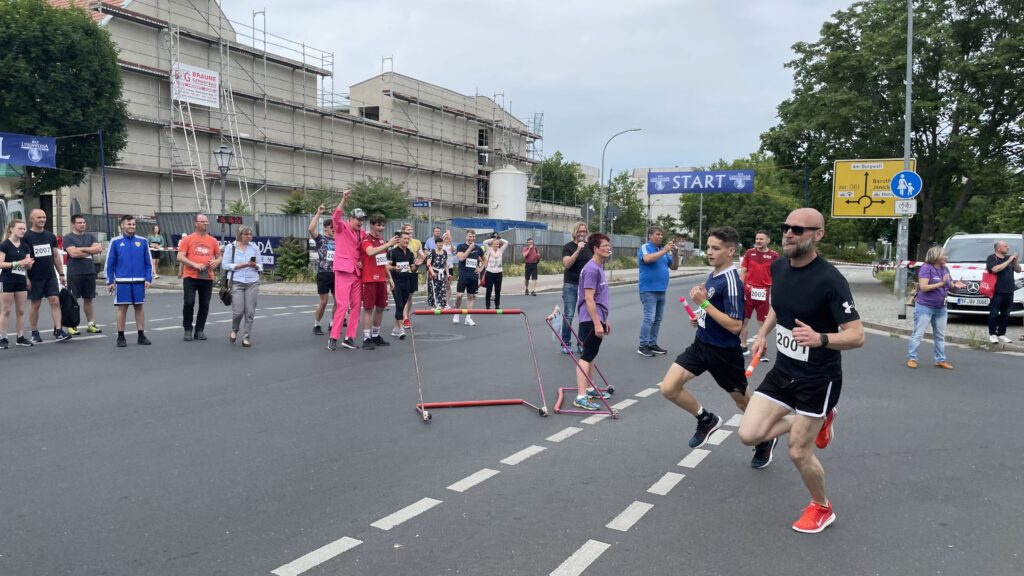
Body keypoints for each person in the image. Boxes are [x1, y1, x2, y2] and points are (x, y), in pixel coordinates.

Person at [738, 208, 865, 534]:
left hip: (817, 378)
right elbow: (780, 305)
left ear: (818, 235)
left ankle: (822, 507)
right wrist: (762, 335)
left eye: (799, 229)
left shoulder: (831, 280)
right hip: (783, 370)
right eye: (786, 227)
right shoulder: (778, 267)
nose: (789, 233)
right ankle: (821, 419)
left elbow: (856, 335)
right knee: (748, 434)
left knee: (797, 450)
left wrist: (821, 338)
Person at [658, 227, 774, 467]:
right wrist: (700, 315)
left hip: (724, 354)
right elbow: (712, 309)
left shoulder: (732, 281)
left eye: (716, 248)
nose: (709, 252)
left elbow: (734, 326)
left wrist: (704, 304)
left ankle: (765, 438)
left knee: (743, 403)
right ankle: (706, 419)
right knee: (669, 388)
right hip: (701, 345)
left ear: (730, 251)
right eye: (709, 247)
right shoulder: (714, 274)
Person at [572, 233, 614, 411]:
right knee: (586, 356)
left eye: (608, 245)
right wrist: (597, 323)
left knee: (592, 354)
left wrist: (605, 320)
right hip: (590, 318)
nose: (608, 248)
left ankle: (589, 388)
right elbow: (589, 299)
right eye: (605, 245)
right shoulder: (591, 269)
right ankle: (581, 396)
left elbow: (599, 297)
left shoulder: (599, 267)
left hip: (597, 317)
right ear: (595, 249)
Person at [907, 246, 963, 369]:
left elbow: (949, 285)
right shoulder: (926, 268)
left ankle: (940, 359)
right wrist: (941, 284)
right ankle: (912, 358)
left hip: (941, 307)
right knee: (919, 333)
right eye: (944, 255)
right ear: (936, 256)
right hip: (925, 306)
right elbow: (923, 287)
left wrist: (956, 286)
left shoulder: (945, 269)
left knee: (940, 335)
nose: (946, 257)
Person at [327, 188, 366, 351]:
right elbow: (335, 216)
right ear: (350, 218)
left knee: (357, 306)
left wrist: (362, 262)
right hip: (343, 271)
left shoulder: (362, 233)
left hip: (357, 273)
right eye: (358, 219)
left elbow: (364, 250)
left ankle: (349, 337)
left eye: (362, 219)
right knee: (342, 305)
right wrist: (343, 199)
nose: (360, 222)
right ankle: (333, 337)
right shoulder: (341, 227)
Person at [105, 215, 152, 347]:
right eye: (129, 224)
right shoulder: (115, 242)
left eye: (133, 224)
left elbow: (148, 263)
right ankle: (121, 336)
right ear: (122, 226)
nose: (132, 226)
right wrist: (110, 281)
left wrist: (148, 278)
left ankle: (141, 335)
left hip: (139, 281)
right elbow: (110, 263)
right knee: (123, 307)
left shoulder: (142, 241)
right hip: (122, 281)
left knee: (139, 306)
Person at [24, 209, 70, 342]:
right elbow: (25, 258)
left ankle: (59, 330)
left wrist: (61, 274)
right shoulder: (26, 237)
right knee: (35, 304)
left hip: (50, 275)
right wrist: (26, 278)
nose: (42, 219)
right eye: (39, 217)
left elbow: (55, 255)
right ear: (32, 219)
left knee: (55, 301)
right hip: (34, 276)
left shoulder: (50, 235)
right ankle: (34, 332)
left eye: (44, 217)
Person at [176, 214, 222, 341]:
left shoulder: (212, 240)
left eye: (207, 221)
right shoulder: (188, 239)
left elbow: (219, 257)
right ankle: (187, 329)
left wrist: (217, 262)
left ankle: (199, 330)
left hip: (207, 277)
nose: (206, 223)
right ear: (195, 223)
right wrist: (194, 264)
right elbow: (180, 257)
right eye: (203, 221)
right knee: (189, 302)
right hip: (191, 276)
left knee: (204, 304)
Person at [637, 225, 679, 357]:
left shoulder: (662, 251)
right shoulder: (645, 247)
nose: (660, 236)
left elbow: (674, 267)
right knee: (649, 318)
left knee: (657, 319)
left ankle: (652, 343)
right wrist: (665, 250)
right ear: (650, 235)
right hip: (648, 289)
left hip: (661, 290)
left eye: (661, 235)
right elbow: (647, 259)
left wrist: (675, 254)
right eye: (657, 234)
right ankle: (643, 345)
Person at [220, 226, 263, 347]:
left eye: (250, 234)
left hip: (252, 282)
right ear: (240, 235)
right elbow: (225, 265)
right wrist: (241, 265)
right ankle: (235, 329)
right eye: (246, 234)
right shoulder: (231, 247)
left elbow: (261, 266)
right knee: (238, 312)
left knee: (250, 312)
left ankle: (246, 337)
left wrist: (255, 266)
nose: (249, 236)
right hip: (237, 282)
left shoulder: (254, 247)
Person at [739, 230, 780, 357]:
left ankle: (761, 345)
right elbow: (744, 271)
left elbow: (777, 274)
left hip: (763, 291)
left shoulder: (774, 256)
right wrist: (740, 287)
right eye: (757, 238)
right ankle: (743, 345)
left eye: (761, 239)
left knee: (762, 322)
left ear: (768, 240)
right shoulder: (749, 253)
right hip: (748, 290)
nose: (758, 241)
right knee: (744, 320)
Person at [62, 214, 104, 335]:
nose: (82, 225)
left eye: (84, 222)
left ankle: (91, 324)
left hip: (89, 272)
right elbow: (73, 254)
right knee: (72, 300)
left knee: (89, 299)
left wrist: (81, 249)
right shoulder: (68, 238)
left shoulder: (90, 236)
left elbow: (99, 249)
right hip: (74, 272)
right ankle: (71, 325)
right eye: (79, 223)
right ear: (73, 224)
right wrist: (90, 251)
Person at [360, 214, 397, 348]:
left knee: (381, 307)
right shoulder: (366, 239)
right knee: (369, 309)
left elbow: (383, 261)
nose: (381, 228)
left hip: (381, 278)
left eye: (383, 225)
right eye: (378, 225)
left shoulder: (382, 240)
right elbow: (370, 252)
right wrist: (388, 244)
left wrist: (389, 277)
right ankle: (366, 338)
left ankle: (375, 335)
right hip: (369, 279)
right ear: (372, 225)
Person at [0, 219, 35, 348]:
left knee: (20, 310)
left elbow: (27, 266)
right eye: (20, 228)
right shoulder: (4, 245)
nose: (23, 231)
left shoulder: (25, 246)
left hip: (20, 280)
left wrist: (28, 265)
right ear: (11, 229)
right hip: (7, 280)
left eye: (24, 229)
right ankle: (3, 338)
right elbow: (1, 263)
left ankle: (20, 337)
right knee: (6, 310)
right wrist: (17, 264)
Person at [560, 222, 592, 353]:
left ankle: (581, 342)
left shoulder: (589, 247)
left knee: (584, 315)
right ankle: (565, 343)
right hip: (571, 285)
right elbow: (567, 264)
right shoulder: (568, 247)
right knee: (569, 314)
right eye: (579, 231)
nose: (582, 234)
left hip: (585, 286)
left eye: (584, 231)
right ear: (574, 232)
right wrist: (578, 249)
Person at [308, 205, 337, 336]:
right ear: (325, 227)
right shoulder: (321, 239)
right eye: (331, 227)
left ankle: (333, 323)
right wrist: (318, 213)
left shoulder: (340, 240)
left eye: (335, 227)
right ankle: (317, 324)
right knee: (324, 301)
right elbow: (310, 228)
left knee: (339, 302)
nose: (333, 229)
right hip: (324, 273)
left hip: (337, 273)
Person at [985, 240, 1021, 344]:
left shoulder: (1008, 259)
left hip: (1009, 290)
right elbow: (995, 269)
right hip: (997, 290)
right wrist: (1009, 260)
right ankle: (992, 334)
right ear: (998, 248)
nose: (1008, 248)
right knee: (994, 313)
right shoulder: (992, 258)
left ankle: (1002, 334)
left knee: (1006, 313)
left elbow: (1018, 270)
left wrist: (1015, 261)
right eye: (1005, 246)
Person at [452, 229, 485, 326]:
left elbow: (485, 260)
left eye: (473, 237)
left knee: (471, 296)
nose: (472, 238)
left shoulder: (478, 249)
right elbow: (461, 258)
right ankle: (456, 312)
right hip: (463, 274)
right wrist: (470, 248)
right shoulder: (461, 246)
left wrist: (480, 268)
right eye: (470, 236)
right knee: (459, 295)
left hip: (473, 276)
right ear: (466, 237)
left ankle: (468, 317)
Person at [389, 232, 417, 338]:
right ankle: (401, 329)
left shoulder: (410, 253)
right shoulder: (393, 252)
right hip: (396, 281)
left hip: (406, 281)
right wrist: (394, 268)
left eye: (408, 239)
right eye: (404, 238)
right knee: (399, 304)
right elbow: (386, 266)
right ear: (399, 239)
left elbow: (413, 269)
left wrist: (418, 264)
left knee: (402, 305)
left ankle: (395, 328)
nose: (406, 241)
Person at [400, 223, 425, 329]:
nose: (410, 231)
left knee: (410, 296)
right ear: (403, 231)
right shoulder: (400, 241)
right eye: (408, 230)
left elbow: (422, 255)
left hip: (413, 270)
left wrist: (423, 258)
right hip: (402, 271)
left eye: (411, 230)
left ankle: (406, 315)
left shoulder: (416, 242)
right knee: (404, 296)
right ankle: (404, 317)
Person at [482, 232, 509, 309]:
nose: (496, 245)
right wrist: (493, 239)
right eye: (495, 244)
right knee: (489, 290)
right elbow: (484, 242)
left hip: (499, 272)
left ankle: (497, 305)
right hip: (490, 272)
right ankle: (487, 305)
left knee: (498, 290)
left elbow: (506, 242)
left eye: (497, 244)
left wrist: (499, 239)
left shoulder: (501, 250)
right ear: (492, 244)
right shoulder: (489, 250)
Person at [426, 230, 451, 309]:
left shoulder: (444, 252)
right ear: (436, 244)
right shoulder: (432, 252)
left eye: (441, 243)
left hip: (441, 272)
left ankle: (441, 304)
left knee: (442, 288)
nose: (440, 244)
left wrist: (447, 273)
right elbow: (428, 263)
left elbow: (446, 264)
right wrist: (432, 272)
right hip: (433, 272)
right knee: (433, 288)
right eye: (439, 243)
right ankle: (433, 305)